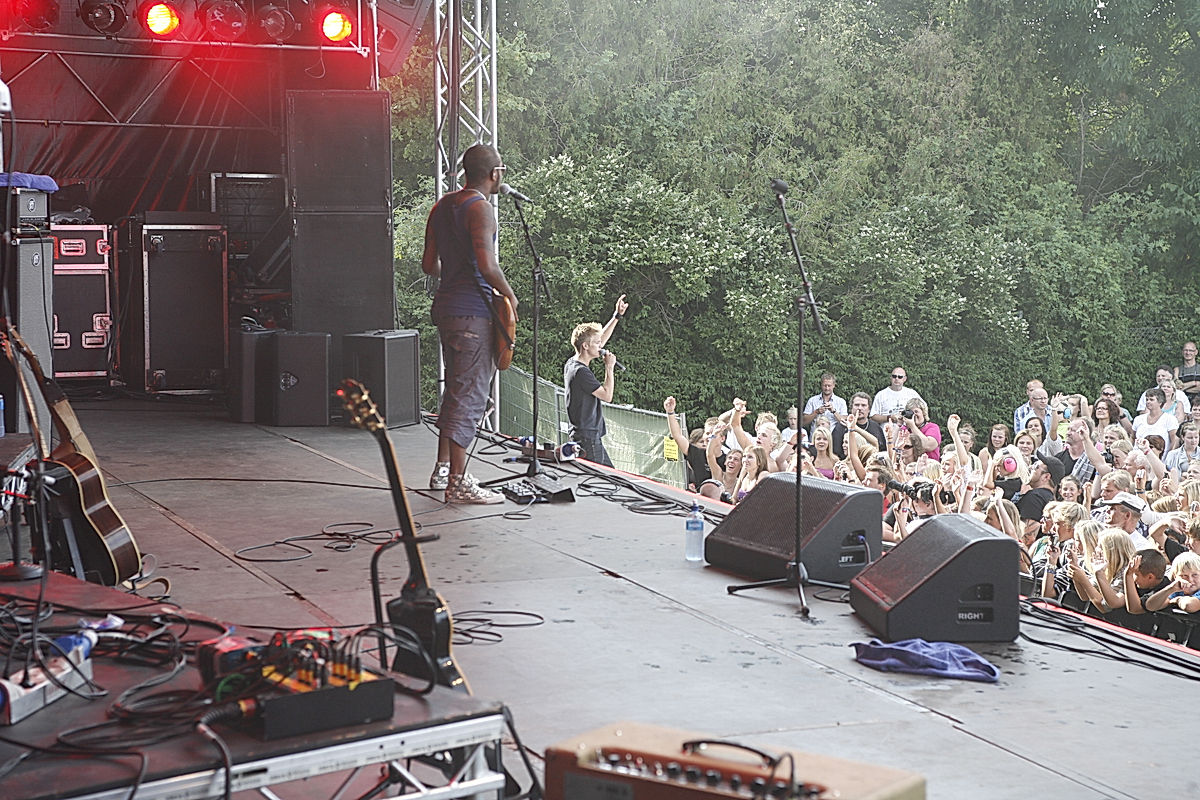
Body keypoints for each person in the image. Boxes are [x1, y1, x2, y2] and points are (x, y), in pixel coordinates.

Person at [422, 144, 520, 504]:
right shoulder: (481, 209)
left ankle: (444, 469)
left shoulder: (442, 206)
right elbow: (487, 267)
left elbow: (428, 264)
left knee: (455, 391)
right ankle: (459, 483)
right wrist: (511, 296)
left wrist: (454, 277)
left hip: (447, 309)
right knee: (470, 395)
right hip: (473, 313)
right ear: (496, 174)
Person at [564, 295, 630, 467]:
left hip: (584, 433)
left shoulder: (572, 363)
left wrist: (616, 316)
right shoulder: (581, 372)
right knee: (605, 479)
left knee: (606, 475)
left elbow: (601, 338)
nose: (601, 346)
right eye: (596, 344)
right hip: (588, 436)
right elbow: (607, 396)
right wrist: (609, 368)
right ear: (585, 346)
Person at [831, 392, 884, 459]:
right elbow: (835, 453)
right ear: (851, 408)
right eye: (856, 405)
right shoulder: (841, 427)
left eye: (863, 405)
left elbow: (881, 450)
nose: (859, 408)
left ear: (869, 409)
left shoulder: (876, 427)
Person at [801, 373, 847, 437]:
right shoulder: (812, 400)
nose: (827, 388)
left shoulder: (841, 402)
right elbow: (804, 422)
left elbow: (845, 422)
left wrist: (833, 411)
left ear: (834, 385)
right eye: (825, 385)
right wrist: (816, 412)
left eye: (829, 385)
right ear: (821, 385)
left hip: (833, 440)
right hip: (815, 439)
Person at [1176, 342, 1200, 407]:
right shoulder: (1177, 370)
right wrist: (1194, 383)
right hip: (1183, 405)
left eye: (1191, 350)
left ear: (1196, 352)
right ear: (1182, 352)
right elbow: (1176, 388)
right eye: (1185, 350)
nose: (1188, 353)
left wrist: (1183, 388)